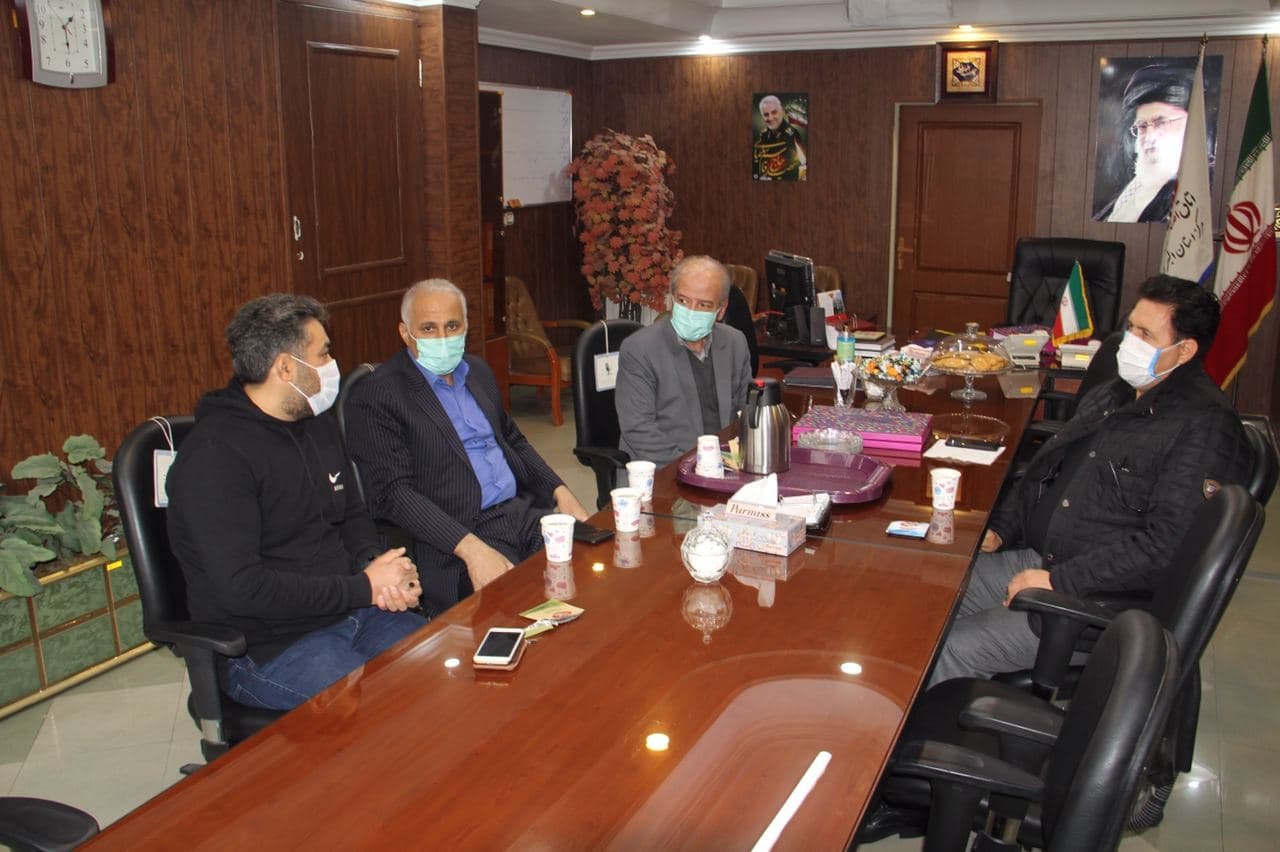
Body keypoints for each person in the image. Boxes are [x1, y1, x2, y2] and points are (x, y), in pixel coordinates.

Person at [928, 275, 1253, 686]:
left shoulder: (1205, 427)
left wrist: (1060, 581)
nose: (1128, 341)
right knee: (929, 591)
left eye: (1145, 334)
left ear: (1185, 350)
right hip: (1045, 560)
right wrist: (1002, 529)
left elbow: (1168, 547)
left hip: (1099, 603)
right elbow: (1047, 472)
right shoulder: (1117, 394)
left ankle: (925, 726)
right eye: (1130, 327)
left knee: (948, 647)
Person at [167, 294, 426, 711]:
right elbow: (243, 588)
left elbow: (352, 514)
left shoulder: (316, 424)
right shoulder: (215, 458)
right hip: (267, 646)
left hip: (350, 610)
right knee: (382, 712)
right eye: (323, 353)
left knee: (440, 671)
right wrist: (362, 587)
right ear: (285, 368)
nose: (332, 364)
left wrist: (379, 571)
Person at [344, 279, 591, 614]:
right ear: (405, 333)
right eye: (428, 328)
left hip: (522, 514)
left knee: (592, 574)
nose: (442, 338)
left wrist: (560, 491)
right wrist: (471, 548)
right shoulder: (378, 394)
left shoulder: (477, 371)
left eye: (452, 326)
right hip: (460, 534)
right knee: (530, 612)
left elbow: (512, 439)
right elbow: (392, 493)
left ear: (465, 327)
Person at [615, 255, 753, 467]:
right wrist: (692, 467)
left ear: (721, 310)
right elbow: (639, 429)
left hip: (725, 463)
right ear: (671, 299)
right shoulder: (639, 349)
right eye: (683, 301)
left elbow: (746, 412)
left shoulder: (735, 342)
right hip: (664, 469)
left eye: (703, 304)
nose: (691, 311)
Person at [1098, 64, 1192, 223]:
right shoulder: (1134, 189)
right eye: (1142, 126)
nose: (1149, 136)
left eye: (1161, 123)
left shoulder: (1197, 188)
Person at [753, 95, 807, 181]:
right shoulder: (763, 135)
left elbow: (802, 165)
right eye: (766, 114)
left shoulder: (792, 134)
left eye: (774, 112)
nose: (770, 118)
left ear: (781, 110)